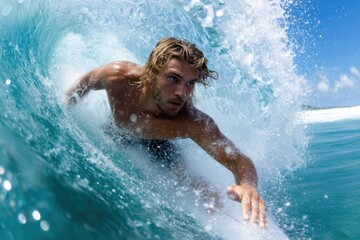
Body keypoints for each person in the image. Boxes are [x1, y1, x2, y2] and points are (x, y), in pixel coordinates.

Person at [66, 37, 267, 228]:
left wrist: (247, 185)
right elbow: (86, 82)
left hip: (157, 143)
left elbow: (238, 160)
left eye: (190, 83)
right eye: (173, 78)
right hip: (114, 130)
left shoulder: (192, 122)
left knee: (199, 188)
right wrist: (64, 106)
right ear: (152, 72)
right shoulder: (117, 77)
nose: (182, 93)